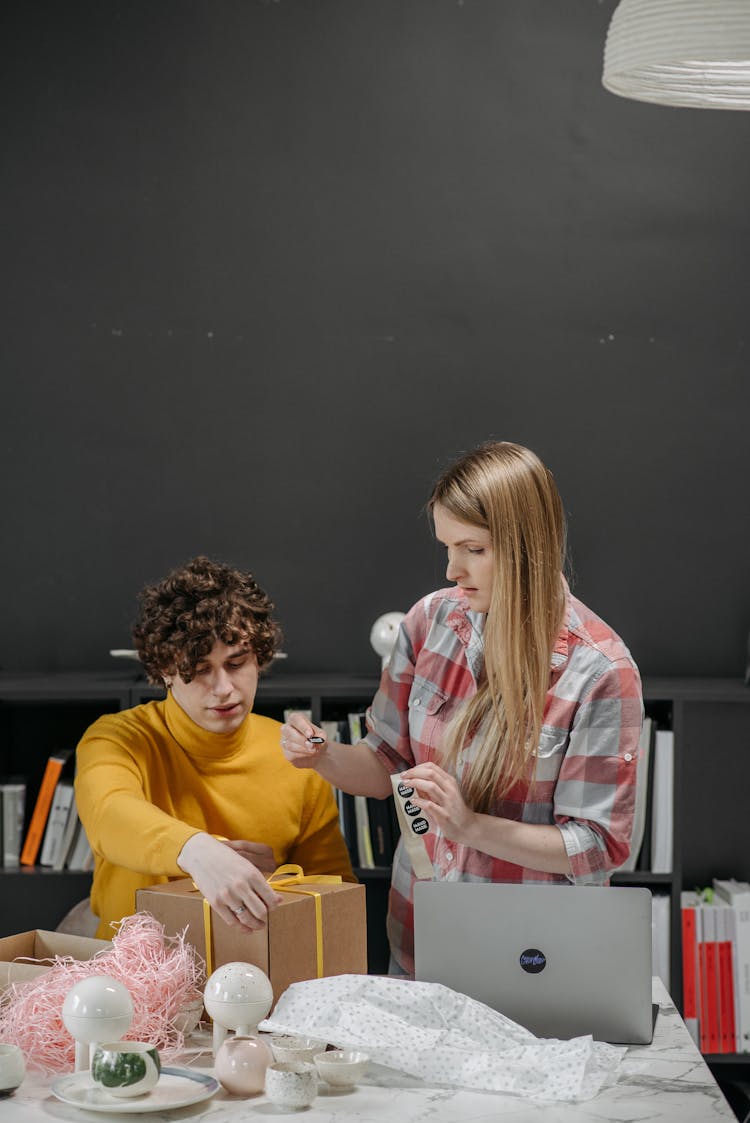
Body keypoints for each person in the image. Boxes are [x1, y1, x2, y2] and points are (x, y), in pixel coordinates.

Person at [282, 441, 643, 977]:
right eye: (447, 546)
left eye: (473, 549)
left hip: (531, 959)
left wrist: (470, 827)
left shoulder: (600, 672)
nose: (452, 569)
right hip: (419, 936)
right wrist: (322, 755)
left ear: (527, 548)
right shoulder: (427, 624)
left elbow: (596, 848)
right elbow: (384, 764)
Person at [75, 556, 355, 940]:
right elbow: (109, 814)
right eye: (200, 670)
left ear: (260, 657)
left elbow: (336, 897)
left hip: (256, 975)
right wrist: (202, 854)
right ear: (165, 673)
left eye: (236, 663)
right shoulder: (116, 738)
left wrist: (278, 881)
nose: (224, 688)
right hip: (130, 977)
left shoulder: (295, 758)